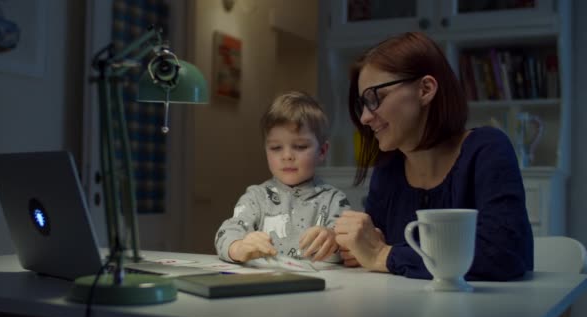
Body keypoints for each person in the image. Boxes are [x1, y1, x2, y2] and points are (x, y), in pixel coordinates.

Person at [334, 32, 533, 280]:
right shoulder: (389, 169)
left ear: (425, 89)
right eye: (362, 103)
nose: (364, 117)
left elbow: (502, 253)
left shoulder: (487, 149)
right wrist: (342, 246)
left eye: (376, 98)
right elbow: (375, 247)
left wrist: (384, 255)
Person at [215, 91, 351, 263]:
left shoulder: (334, 200)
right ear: (266, 150)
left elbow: (352, 248)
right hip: (266, 285)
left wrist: (334, 240)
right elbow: (226, 233)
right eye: (276, 147)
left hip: (322, 285)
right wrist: (238, 247)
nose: (287, 156)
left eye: (300, 146)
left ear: (322, 151)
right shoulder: (256, 198)